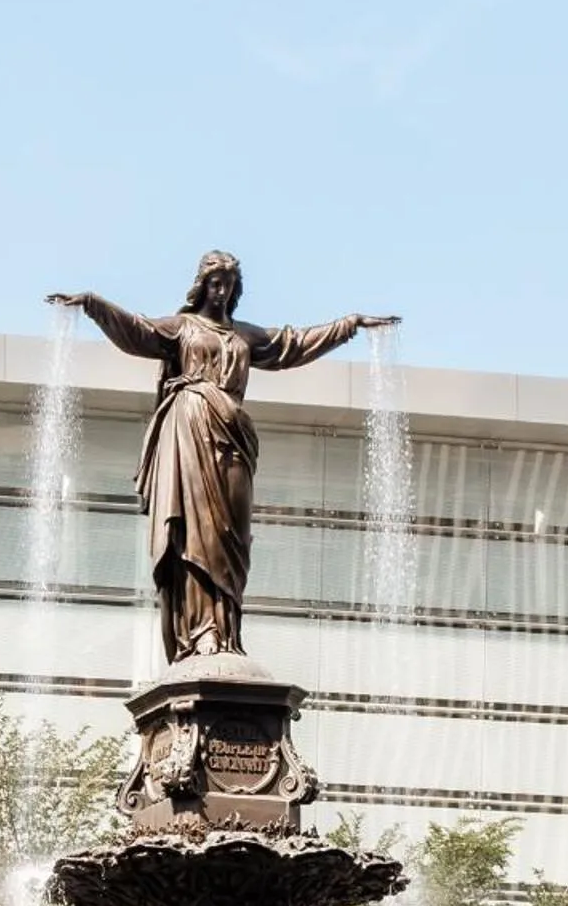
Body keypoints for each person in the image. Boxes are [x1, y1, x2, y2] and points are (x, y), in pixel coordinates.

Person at [48, 255, 396, 661]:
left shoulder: (245, 336)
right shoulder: (182, 327)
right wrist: (93, 304)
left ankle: (228, 633)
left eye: (229, 283)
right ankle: (201, 634)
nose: (222, 290)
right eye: (215, 281)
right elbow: (136, 332)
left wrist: (349, 325)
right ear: (202, 283)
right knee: (194, 534)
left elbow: (294, 344)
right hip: (189, 432)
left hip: (233, 442)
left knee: (231, 535)